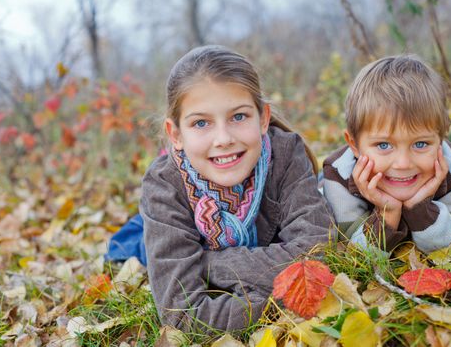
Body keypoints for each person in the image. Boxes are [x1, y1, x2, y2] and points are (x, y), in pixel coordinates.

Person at [139, 45, 334, 332]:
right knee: (132, 245)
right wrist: (283, 300)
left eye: (239, 117)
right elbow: (181, 315)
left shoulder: (285, 154)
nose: (223, 138)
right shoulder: (164, 188)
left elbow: (319, 255)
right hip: (173, 222)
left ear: (263, 118)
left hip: (212, 249)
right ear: (176, 134)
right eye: (201, 123)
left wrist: (211, 265)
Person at [323, 54, 451, 255]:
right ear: (354, 145)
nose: (403, 164)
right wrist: (387, 214)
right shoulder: (338, 175)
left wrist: (420, 210)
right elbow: (352, 256)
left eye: (420, 144)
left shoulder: (449, 164)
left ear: (440, 139)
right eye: (384, 145)